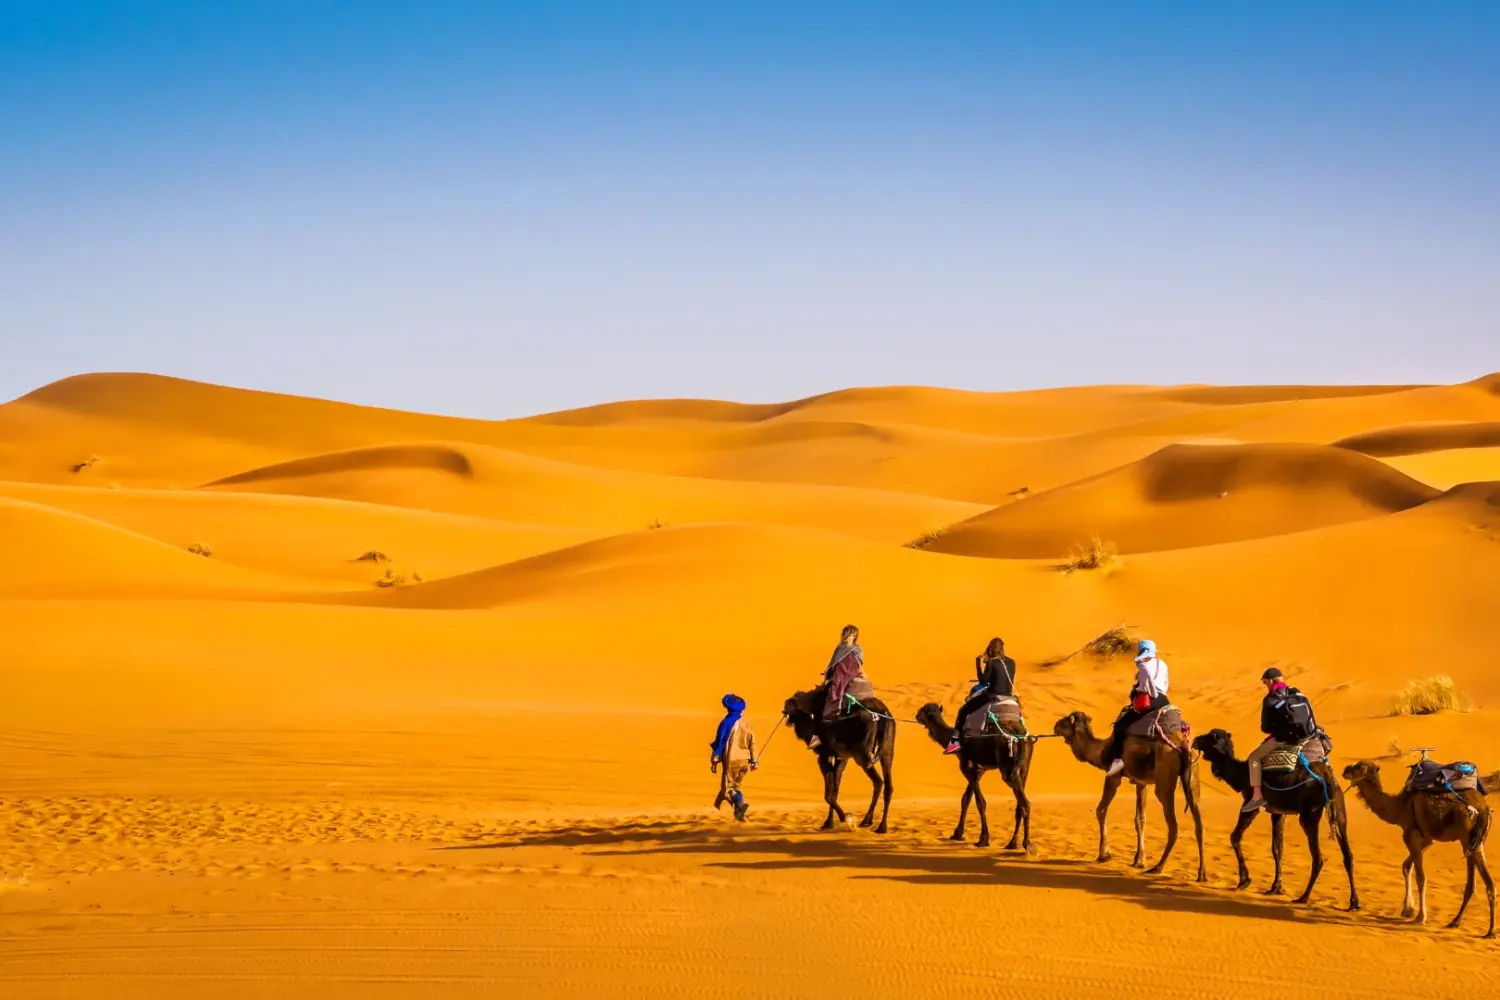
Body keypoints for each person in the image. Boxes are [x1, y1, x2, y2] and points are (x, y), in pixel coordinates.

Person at [1242, 667, 1321, 813]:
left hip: (1286, 740)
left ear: (1271, 681)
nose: (1266, 686)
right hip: (1308, 736)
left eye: (1266, 683)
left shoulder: (1270, 699)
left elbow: (1265, 728)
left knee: (1254, 758)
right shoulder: (1296, 693)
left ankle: (1257, 797)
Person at [1104, 639, 1170, 776]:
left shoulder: (1143, 665)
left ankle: (1118, 760)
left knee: (1120, 726)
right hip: (1165, 701)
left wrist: (1151, 693)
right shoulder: (1163, 664)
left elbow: (1150, 685)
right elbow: (1166, 684)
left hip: (1150, 700)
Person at [945, 637, 1017, 754]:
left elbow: (983, 681)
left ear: (991, 650)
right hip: (1009, 697)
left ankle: (955, 742)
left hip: (993, 696)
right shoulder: (1012, 662)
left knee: (963, 711)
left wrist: (978, 663)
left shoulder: (992, 662)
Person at [808, 624, 865, 749]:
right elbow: (858, 665)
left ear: (846, 635)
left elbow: (831, 668)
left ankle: (817, 736)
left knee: (819, 702)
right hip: (854, 681)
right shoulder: (859, 649)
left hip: (839, 682)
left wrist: (827, 676)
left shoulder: (840, 649)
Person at [710, 693, 757, 821]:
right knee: (736, 786)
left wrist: (714, 760)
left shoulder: (726, 723)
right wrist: (754, 760)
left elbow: (720, 742)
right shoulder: (747, 724)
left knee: (728, 789)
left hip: (732, 760)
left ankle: (740, 804)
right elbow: (752, 743)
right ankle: (737, 813)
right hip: (744, 760)